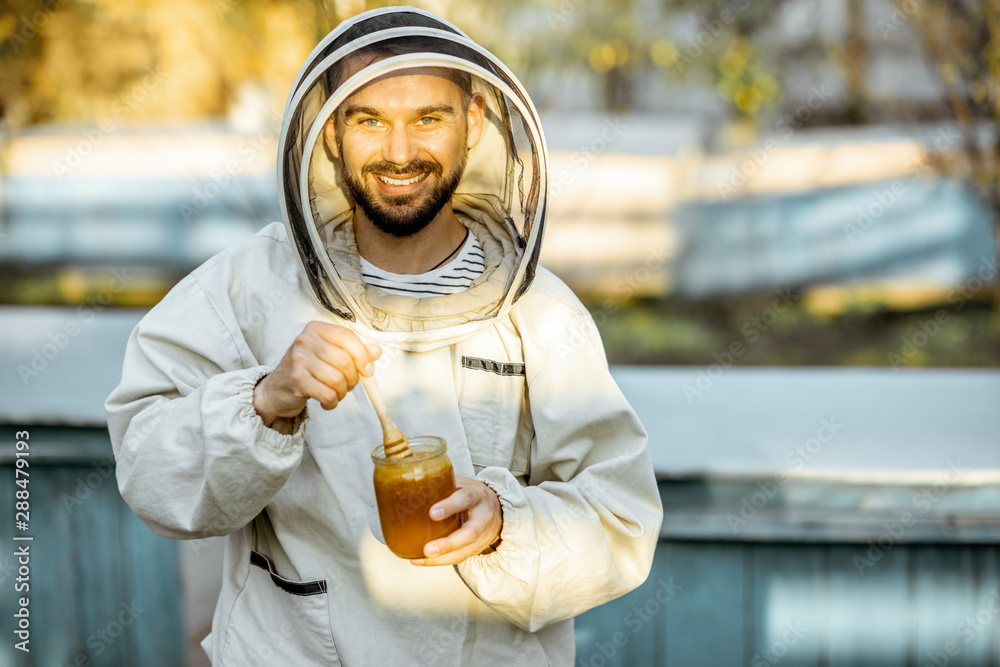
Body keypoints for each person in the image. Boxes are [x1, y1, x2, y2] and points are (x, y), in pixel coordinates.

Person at [106, 7, 662, 665]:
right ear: (332, 133)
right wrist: (264, 399)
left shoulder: (542, 315)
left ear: (475, 122)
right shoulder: (245, 289)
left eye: (429, 117)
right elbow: (148, 471)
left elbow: (620, 519)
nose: (400, 153)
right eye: (369, 120)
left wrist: (506, 526)